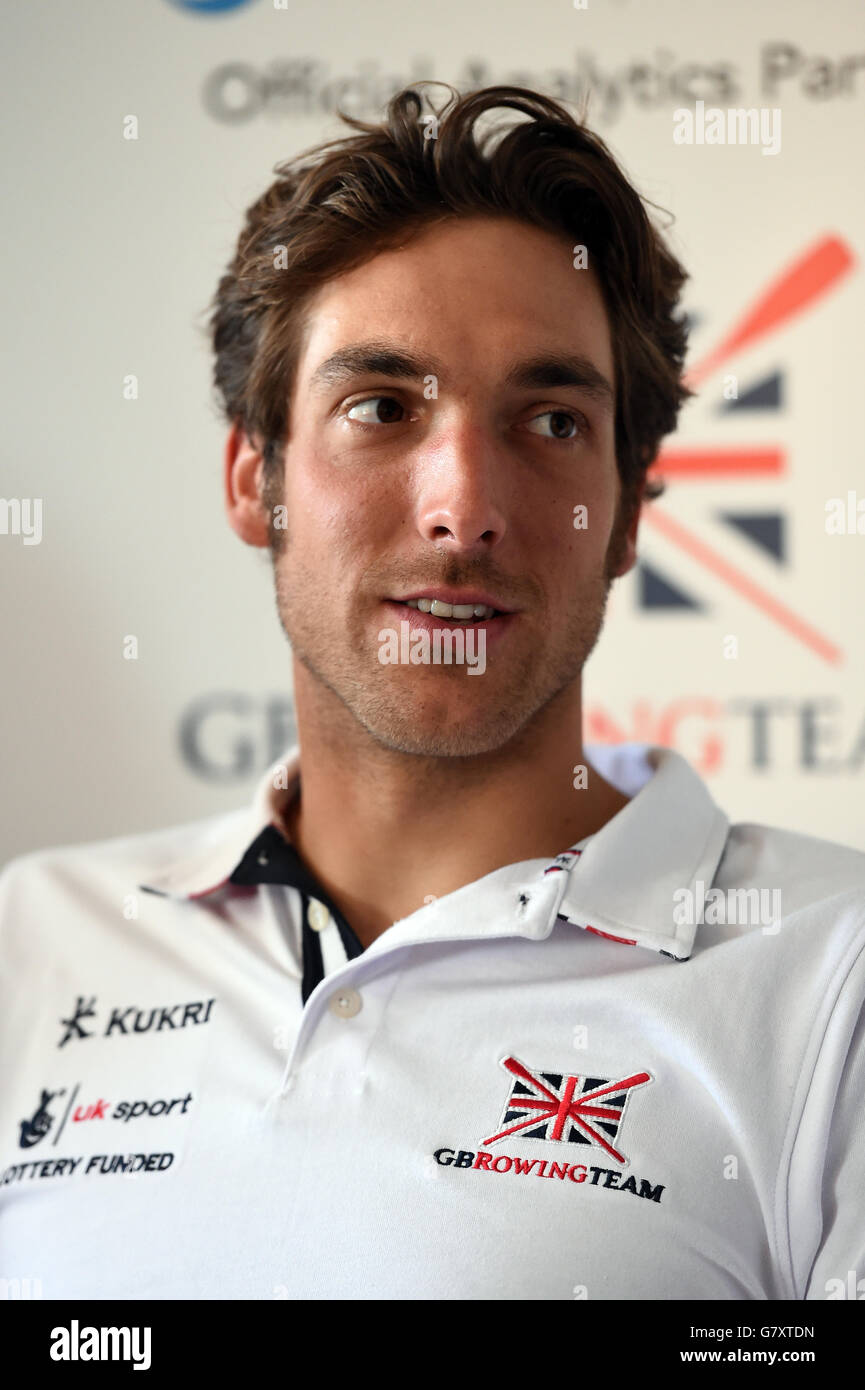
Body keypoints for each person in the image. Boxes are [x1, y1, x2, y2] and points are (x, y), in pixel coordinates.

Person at [1, 82, 863, 1302]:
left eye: (551, 419)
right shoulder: (32, 941)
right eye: (380, 408)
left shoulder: (835, 973)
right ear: (257, 480)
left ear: (623, 513)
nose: (464, 505)